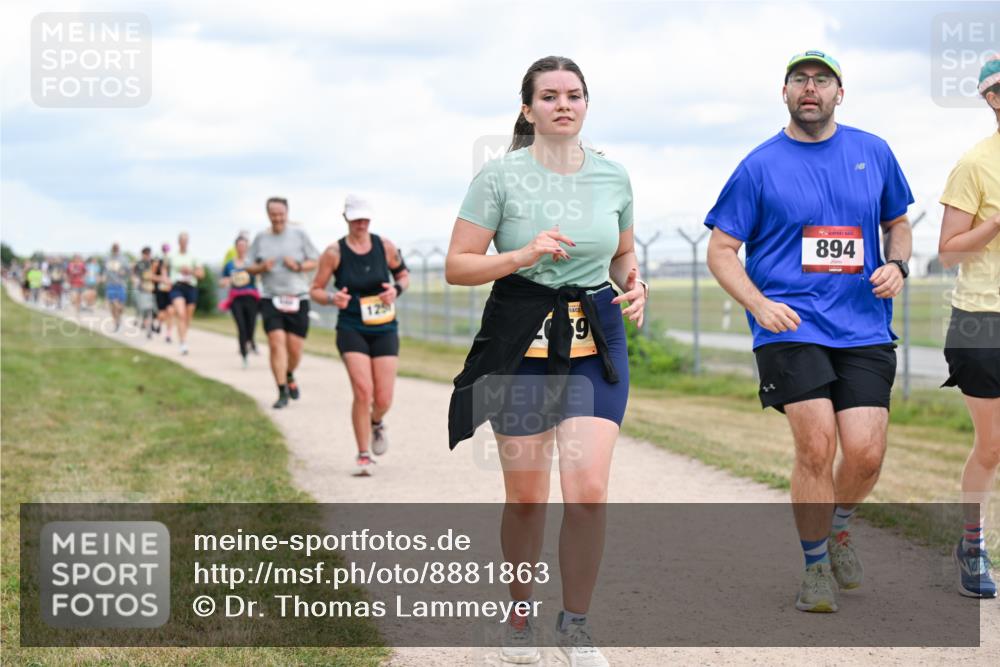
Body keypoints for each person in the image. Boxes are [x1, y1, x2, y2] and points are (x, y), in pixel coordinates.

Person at [446, 56, 646, 667]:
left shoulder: (614, 176)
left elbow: (623, 255)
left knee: (587, 492)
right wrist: (522, 254)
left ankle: (576, 627)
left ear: (587, 105)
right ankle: (519, 617)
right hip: (522, 348)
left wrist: (635, 284)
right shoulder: (499, 177)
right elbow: (458, 265)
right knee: (528, 499)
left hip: (595, 349)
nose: (565, 104)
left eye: (575, 94)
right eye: (551, 95)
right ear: (528, 108)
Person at [705, 51, 914, 613]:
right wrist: (758, 304)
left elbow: (898, 222)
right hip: (790, 325)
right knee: (817, 444)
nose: (811, 89)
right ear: (785, 92)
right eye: (800, 79)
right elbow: (721, 250)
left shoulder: (873, 152)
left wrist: (897, 265)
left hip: (863, 325)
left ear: (839, 93)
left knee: (867, 455)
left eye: (822, 80)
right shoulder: (759, 165)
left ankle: (839, 524)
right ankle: (815, 564)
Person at [938, 54, 1000, 599]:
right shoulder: (975, 165)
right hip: (984, 320)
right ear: (992, 99)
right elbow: (947, 253)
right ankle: (973, 544)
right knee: (993, 446)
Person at [310, 195, 410, 475]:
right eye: (356, 219)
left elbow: (403, 275)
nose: (361, 224)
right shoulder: (334, 252)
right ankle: (363, 453)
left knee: (383, 398)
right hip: (351, 326)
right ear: (346, 219)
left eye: (365, 218)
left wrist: (396, 290)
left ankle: (376, 422)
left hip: (385, 327)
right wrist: (332, 298)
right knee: (363, 391)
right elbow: (315, 289)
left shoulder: (385, 246)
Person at [248, 197, 319, 408]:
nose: (277, 218)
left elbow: (315, 260)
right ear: (268, 214)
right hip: (271, 297)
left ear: (287, 213)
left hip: (298, 297)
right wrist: (262, 268)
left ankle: (289, 374)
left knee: (295, 349)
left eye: (281, 214)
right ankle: (281, 391)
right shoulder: (261, 238)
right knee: (275, 343)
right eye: (273, 214)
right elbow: (248, 266)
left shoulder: (299, 234)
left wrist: (297, 266)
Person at [220, 234, 261, 367]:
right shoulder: (229, 265)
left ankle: (250, 342)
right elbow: (222, 281)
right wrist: (228, 280)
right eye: (239, 246)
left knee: (251, 326)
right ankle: (244, 355)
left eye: (244, 246)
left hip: (251, 298)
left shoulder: (252, 263)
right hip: (236, 298)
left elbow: (260, 275)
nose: (242, 248)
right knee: (241, 327)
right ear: (236, 247)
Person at [168, 232, 204, 355]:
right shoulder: (172, 256)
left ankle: (183, 335)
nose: (184, 243)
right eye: (182, 240)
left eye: (186, 241)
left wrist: (190, 271)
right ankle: (183, 342)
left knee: (188, 317)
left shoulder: (193, 257)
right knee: (181, 314)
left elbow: (201, 274)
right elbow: (164, 270)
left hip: (190, 287)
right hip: (177, 287)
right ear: (179, 242)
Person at [104, 244, 131, 331]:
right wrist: (103, 277)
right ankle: (116, 322)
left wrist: (124, 272)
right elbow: (104, 271)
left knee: (120, 307)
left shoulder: (124, 259)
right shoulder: (107, 259)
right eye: (114, 248)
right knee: (113, 304)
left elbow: (129, 271)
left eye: (117, 248)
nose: (115, 250)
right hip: (110, 285)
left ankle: (119, 318)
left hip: (121, 284)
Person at [133, 246, 158, 337]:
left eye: (149, 254)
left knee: (151, 309)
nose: (147, 256)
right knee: (144, 308)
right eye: (146, 254)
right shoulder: (139, 264)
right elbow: (135, 275)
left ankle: (149, 327)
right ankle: (144, 323)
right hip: (142, 289)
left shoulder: (153, 263)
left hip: (151, 290)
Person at [152, 244, 173, 342]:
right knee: (162, 313)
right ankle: (159, 324)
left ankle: (168, 335)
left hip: (170, 291)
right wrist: (161, 279)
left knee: (170, 312)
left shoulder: (172, 263)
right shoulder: (157, 263)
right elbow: (151, 276)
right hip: (160, 291)